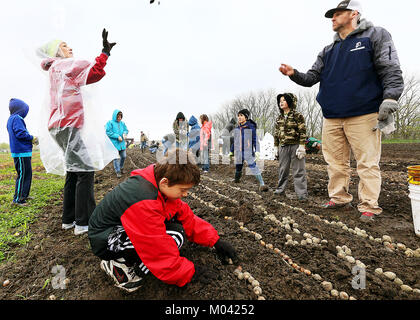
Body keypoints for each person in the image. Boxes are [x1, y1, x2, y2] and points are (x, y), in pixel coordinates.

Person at [279, 1, 404, 222]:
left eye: (338, 14)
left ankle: (369, 206)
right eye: (332, 15)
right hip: (332, 116)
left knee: (366, 162)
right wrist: (293, 73)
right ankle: (338, 198)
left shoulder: (375, 35)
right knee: (335, 162)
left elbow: (390, 67)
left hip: (364, 113)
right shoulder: (328, 50)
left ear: (354, 13)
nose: (333, 18)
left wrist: (390, 97)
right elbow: (310, 78)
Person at [88, 149, 238, 292]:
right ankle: (119, 266)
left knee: (178, 226)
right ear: (165, 182)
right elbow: (156, 248)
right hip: (106, 239)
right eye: (183, 190)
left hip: (122, 227)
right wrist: (191, 273)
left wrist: (215, 241)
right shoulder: (144, 200)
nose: (185, 194)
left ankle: (132, 260)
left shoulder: (157, 182)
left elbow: (185, 216)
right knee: (176, 236)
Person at [38, 29, 117, 235]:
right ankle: (84, 222)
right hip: (68, 125)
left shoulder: (55, 69)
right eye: (64, 45)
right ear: (56, 52)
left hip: (58, 126)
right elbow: (94, 72)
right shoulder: (64, 66)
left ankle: (69, 219)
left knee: (74, 170)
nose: (70, 47)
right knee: (85, 170)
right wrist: (104, 53)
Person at [273, 93, 308, 201]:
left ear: (290, 102)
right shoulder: (279, 118)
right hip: (283, 147)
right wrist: (276, 146)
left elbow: (303, 131)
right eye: (280, 101)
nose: (281, 102)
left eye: (284, 100)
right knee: (283, 170)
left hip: (296, 146)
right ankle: (280, 190)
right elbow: (276, 133)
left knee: (298, 170)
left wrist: (302, 146)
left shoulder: (297, 116)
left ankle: (302, 194)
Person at [230, 109, 268, 192]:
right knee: (238, 167)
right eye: (238, 115)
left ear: (246, 117)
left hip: (248, 151)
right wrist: (231, 150)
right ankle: (236, 180)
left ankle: (262, 183)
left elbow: (255, 140)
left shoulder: (250, 127)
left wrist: (257, 150)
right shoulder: (237, 128)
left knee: (253, 166)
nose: (239, 117)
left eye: (241, 115)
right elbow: (235, 141)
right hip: (239, 151)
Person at [7, 98, 36, 206]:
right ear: (20, 109)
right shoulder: (17, 118)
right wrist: (32, 138)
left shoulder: (12, 119)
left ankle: (24, 194)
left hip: (23, 152)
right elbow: (21, 133)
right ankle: (18, 199)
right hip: (21, 152)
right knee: (23, 175)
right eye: (25, 110)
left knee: (27, 174)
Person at [106, 110, 129, 178]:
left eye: (120, 117)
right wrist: (117, 136)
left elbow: (126, 130)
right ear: (115, 116)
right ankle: (118, 171)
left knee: (123, 156)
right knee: (116, 158)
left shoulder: (122, 123)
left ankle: (121, 167)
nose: (119, 118)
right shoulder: (110, 123)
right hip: (114, 144)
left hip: (121, 144)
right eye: (118, 116)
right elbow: (108, 132)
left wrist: (125, 133)